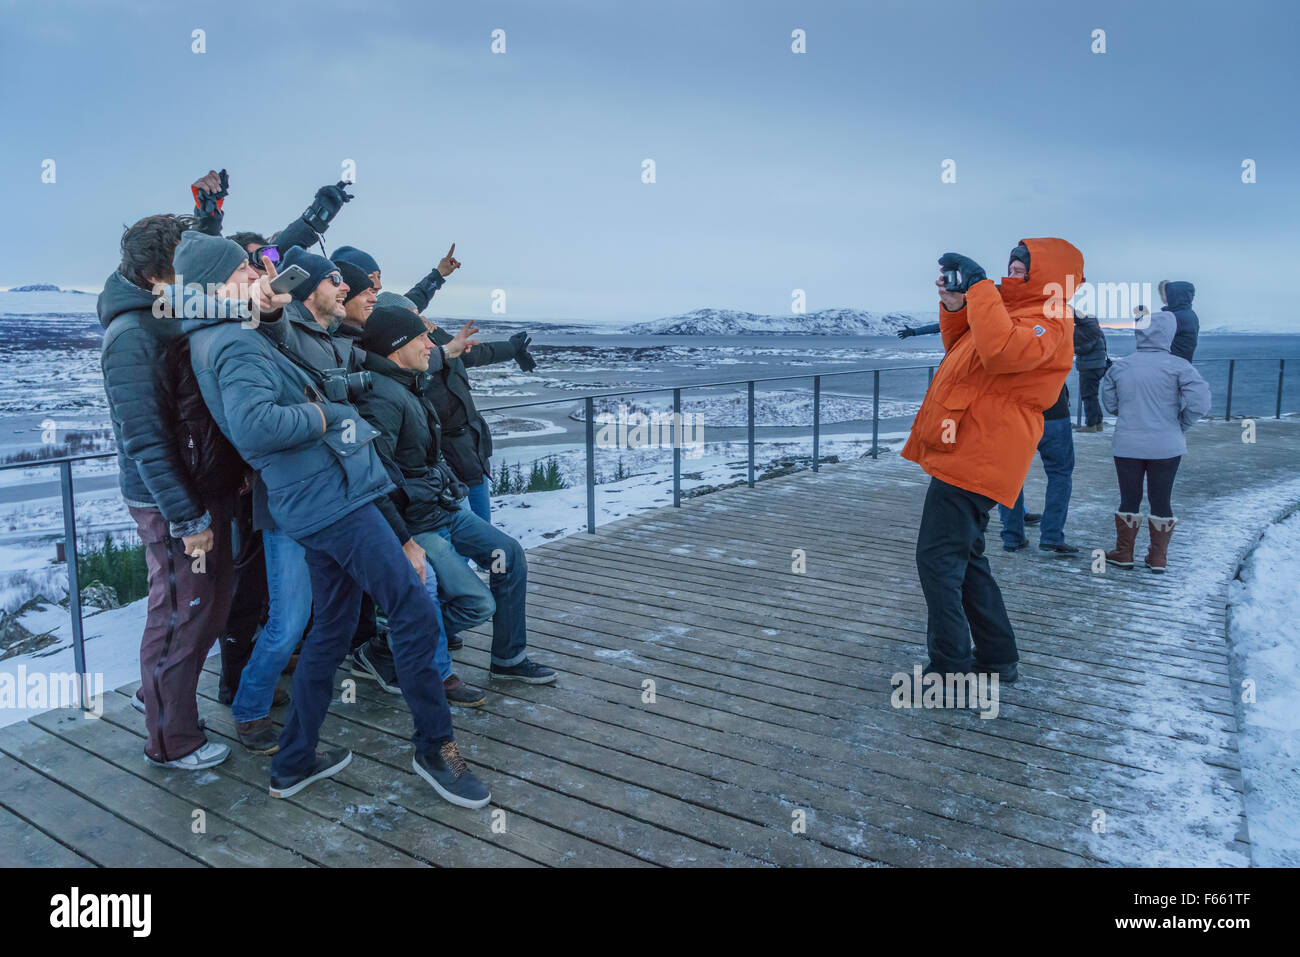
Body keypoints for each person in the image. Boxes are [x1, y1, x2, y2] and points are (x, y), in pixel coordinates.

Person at [190, 251, 494, 806]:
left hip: (318, 495)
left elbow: (284, 364)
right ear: (211, 283)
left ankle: (295, 758)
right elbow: (255, 428)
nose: (259, 275)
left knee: (329, 630)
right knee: (411, 608)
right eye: (245, 271)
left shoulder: (228, 332)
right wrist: (331, 415)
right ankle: (435, 747)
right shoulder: (232, 342)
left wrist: (273, 316)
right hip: (329, 497)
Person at [900, 238, 1081, 683]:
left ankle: (950, 670)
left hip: (982, 453)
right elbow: (965, 347)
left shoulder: (1052, 319)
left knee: (937, 560)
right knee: (966, 557)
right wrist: (955, 304)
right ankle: (998, 657)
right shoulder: (1009, 311)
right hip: (968, 449)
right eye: (1012, 263)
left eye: (1026, 265)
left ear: (1051, 274)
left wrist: (980, 288)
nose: (1015, 269)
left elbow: (1001, 352)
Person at [99, 215, 239, 770]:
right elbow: (145, 440)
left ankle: (158, 700)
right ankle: (171, 741)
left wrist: (210, 214)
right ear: (160, 274)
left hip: (193, 488)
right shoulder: (132, 337)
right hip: (170, 500)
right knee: (184, 612)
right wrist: (187, 518)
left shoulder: (160, 309)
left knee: (197, 609)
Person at [357, 306, 559, 685]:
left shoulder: (409, 383)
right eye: (420, 337)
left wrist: (449, 486)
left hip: (442, 508)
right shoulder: (381, 399)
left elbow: (429, 456)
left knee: (509, 554)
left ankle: (508, 659)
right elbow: (377, 479)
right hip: (417, 522)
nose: (429, 344)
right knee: (475, 602)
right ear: (396, 347)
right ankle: (389, 647)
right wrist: (403, 538)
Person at [1101, 307, 1211, 573]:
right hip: (1166, 444)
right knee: (1161, 499)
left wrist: (1126, 411)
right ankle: (1158, 558)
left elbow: (1109, 403)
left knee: (1129, 498)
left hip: (1128, 443)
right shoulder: (1179, 367)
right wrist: (1180, 423)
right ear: (1169, 333)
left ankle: (1124, 553)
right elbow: (1201, 402)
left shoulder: (1121, 366)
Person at [997, 382, 1078, 555]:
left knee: (1010, 473)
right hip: (1054, 411)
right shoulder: (1056, 352)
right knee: (1060, 473)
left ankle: (1012, 536)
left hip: (1017, 412)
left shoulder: (1008, 353)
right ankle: (1052, 536)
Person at [1072, 310, 1108, 432]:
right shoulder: (1096, 330)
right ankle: (1098, 423)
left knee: (1088, 396)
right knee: (1093, 395)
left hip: (1090, 366)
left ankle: (1091, 425)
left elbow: (1085, 348)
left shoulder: (1088, 331)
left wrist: (1073, 348)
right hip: (1098, 365)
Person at [1158, 281, 1199, 362]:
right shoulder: (1188, 314)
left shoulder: (1177, 317)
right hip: (1181, 364)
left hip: (1172, 366)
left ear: (1175, 296)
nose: (1165, 297)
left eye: (1168, 294)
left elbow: (1150, 334)